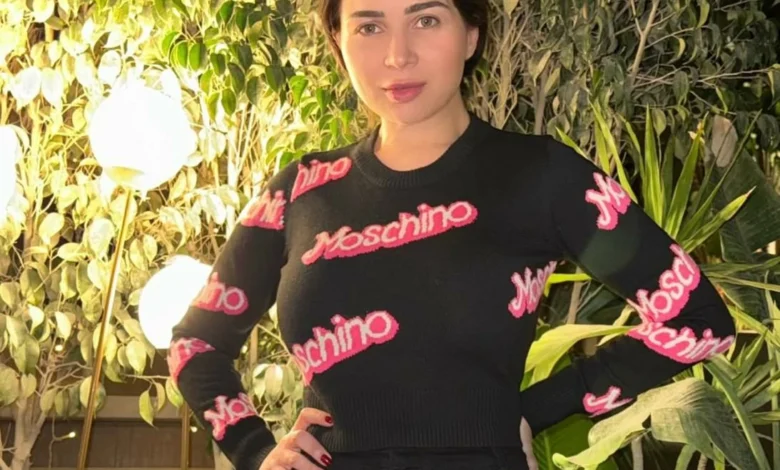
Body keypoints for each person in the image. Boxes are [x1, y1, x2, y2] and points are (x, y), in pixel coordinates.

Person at [166, 0, 737, 469]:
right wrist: (256, 452)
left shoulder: (542, 175)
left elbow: (698, 320)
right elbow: (196, 345)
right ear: (338, 41)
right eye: (369, 26)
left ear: (471, 34)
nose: (398, 54)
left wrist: (532, 410)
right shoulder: (300, 190)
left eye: (426, 19)